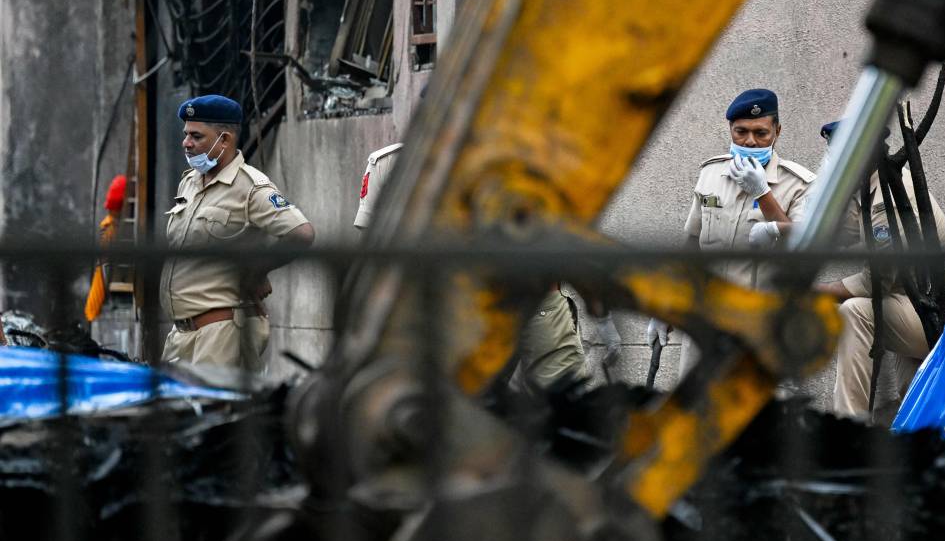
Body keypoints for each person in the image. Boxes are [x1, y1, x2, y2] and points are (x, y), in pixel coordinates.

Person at [353, 142, 619, 392]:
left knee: (568, 409)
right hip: (442, 312)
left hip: (526, 300)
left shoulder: (521, 152)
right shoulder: (390, 164)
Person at [813, 121, 945, 418]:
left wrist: (818, 292)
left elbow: (877, 281)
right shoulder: (872, 186)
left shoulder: (886, 199)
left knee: (855, 312)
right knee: (919, 408)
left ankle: (848, 424)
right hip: (914, 303)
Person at [648, 89, 816, 375]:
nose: (750, 141)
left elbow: (805, 244)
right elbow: (692, 244)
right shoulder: (710, 173)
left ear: (778, 131)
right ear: (730, 129)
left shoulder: (799, 183)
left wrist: (763, 194)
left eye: (761, 133)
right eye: (741, 132)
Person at [160, 95, 315, 373]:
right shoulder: (190, 183)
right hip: (181, 334)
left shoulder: (250, 187)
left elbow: (301, 234)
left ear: (225, 140)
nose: (186, 143)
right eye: (186, 135)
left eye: (196, 136)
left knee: (216, 413)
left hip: (221, 333)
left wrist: (257, 270)